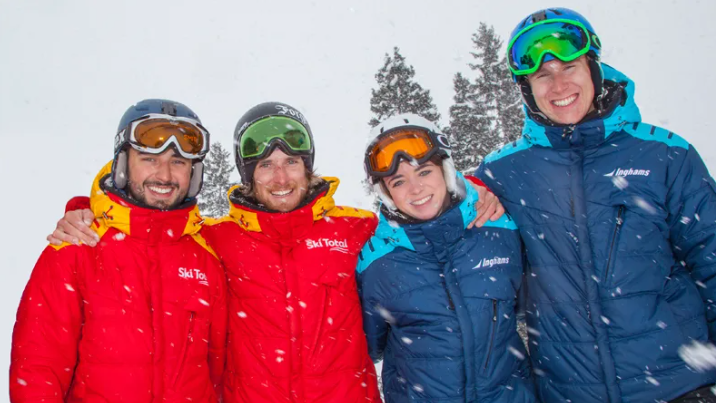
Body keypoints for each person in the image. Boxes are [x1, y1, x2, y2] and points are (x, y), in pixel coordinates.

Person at [47, 102, 504, 402]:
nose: (280, 178)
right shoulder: (214, 239)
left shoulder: (356, 230)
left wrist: (475, 192)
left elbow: (422, 213)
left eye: (291, 163)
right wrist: (88, 210)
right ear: (248, 174)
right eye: (265, 165)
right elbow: (152, 229)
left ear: (309, 167)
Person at [472, 8, 716, 403]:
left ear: (593, 69)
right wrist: (469, 193)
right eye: (542, 76)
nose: (559, 85)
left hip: (680, 384)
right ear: (526, 89)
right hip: (571, 392)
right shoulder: (503, 171)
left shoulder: (664, 154)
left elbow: (711, 257)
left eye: (569, 67)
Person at [9, 99, 228, 402]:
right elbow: (38, 369)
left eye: (178, 162)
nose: (165, 175)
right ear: (123, 163)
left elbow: (218, 372)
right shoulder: (78, 246)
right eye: (149, 159)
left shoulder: (206, 257)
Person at [356, 114, 535, 403]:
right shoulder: (376, 264)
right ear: (386, 193)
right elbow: (370, 346)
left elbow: (532, 306)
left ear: (446, 171)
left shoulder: (499, 228)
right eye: (398, 182)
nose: (416, 189)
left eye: (424, 172)